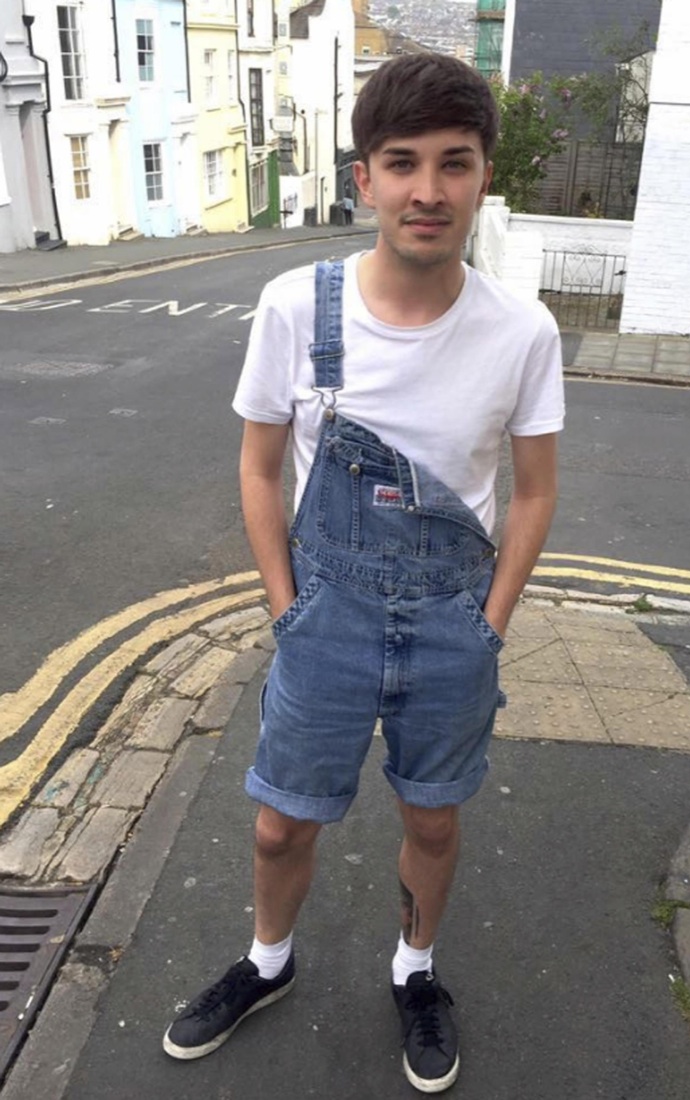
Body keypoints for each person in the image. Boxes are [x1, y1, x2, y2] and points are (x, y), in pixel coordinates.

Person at [162, 52, 564, 1093]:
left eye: (453, 162)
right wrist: (287, 609)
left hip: (451, 627)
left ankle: (414, 969)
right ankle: (268, 960)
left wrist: (490, 622)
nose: (427, 189)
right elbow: (258, 469)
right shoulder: (297, 307)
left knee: (432, 816)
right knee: (279, 820)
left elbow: (531, 492)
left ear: (483, 176)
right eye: (402, 163)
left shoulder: (522, 332)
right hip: (325, 619)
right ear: (364, 179)